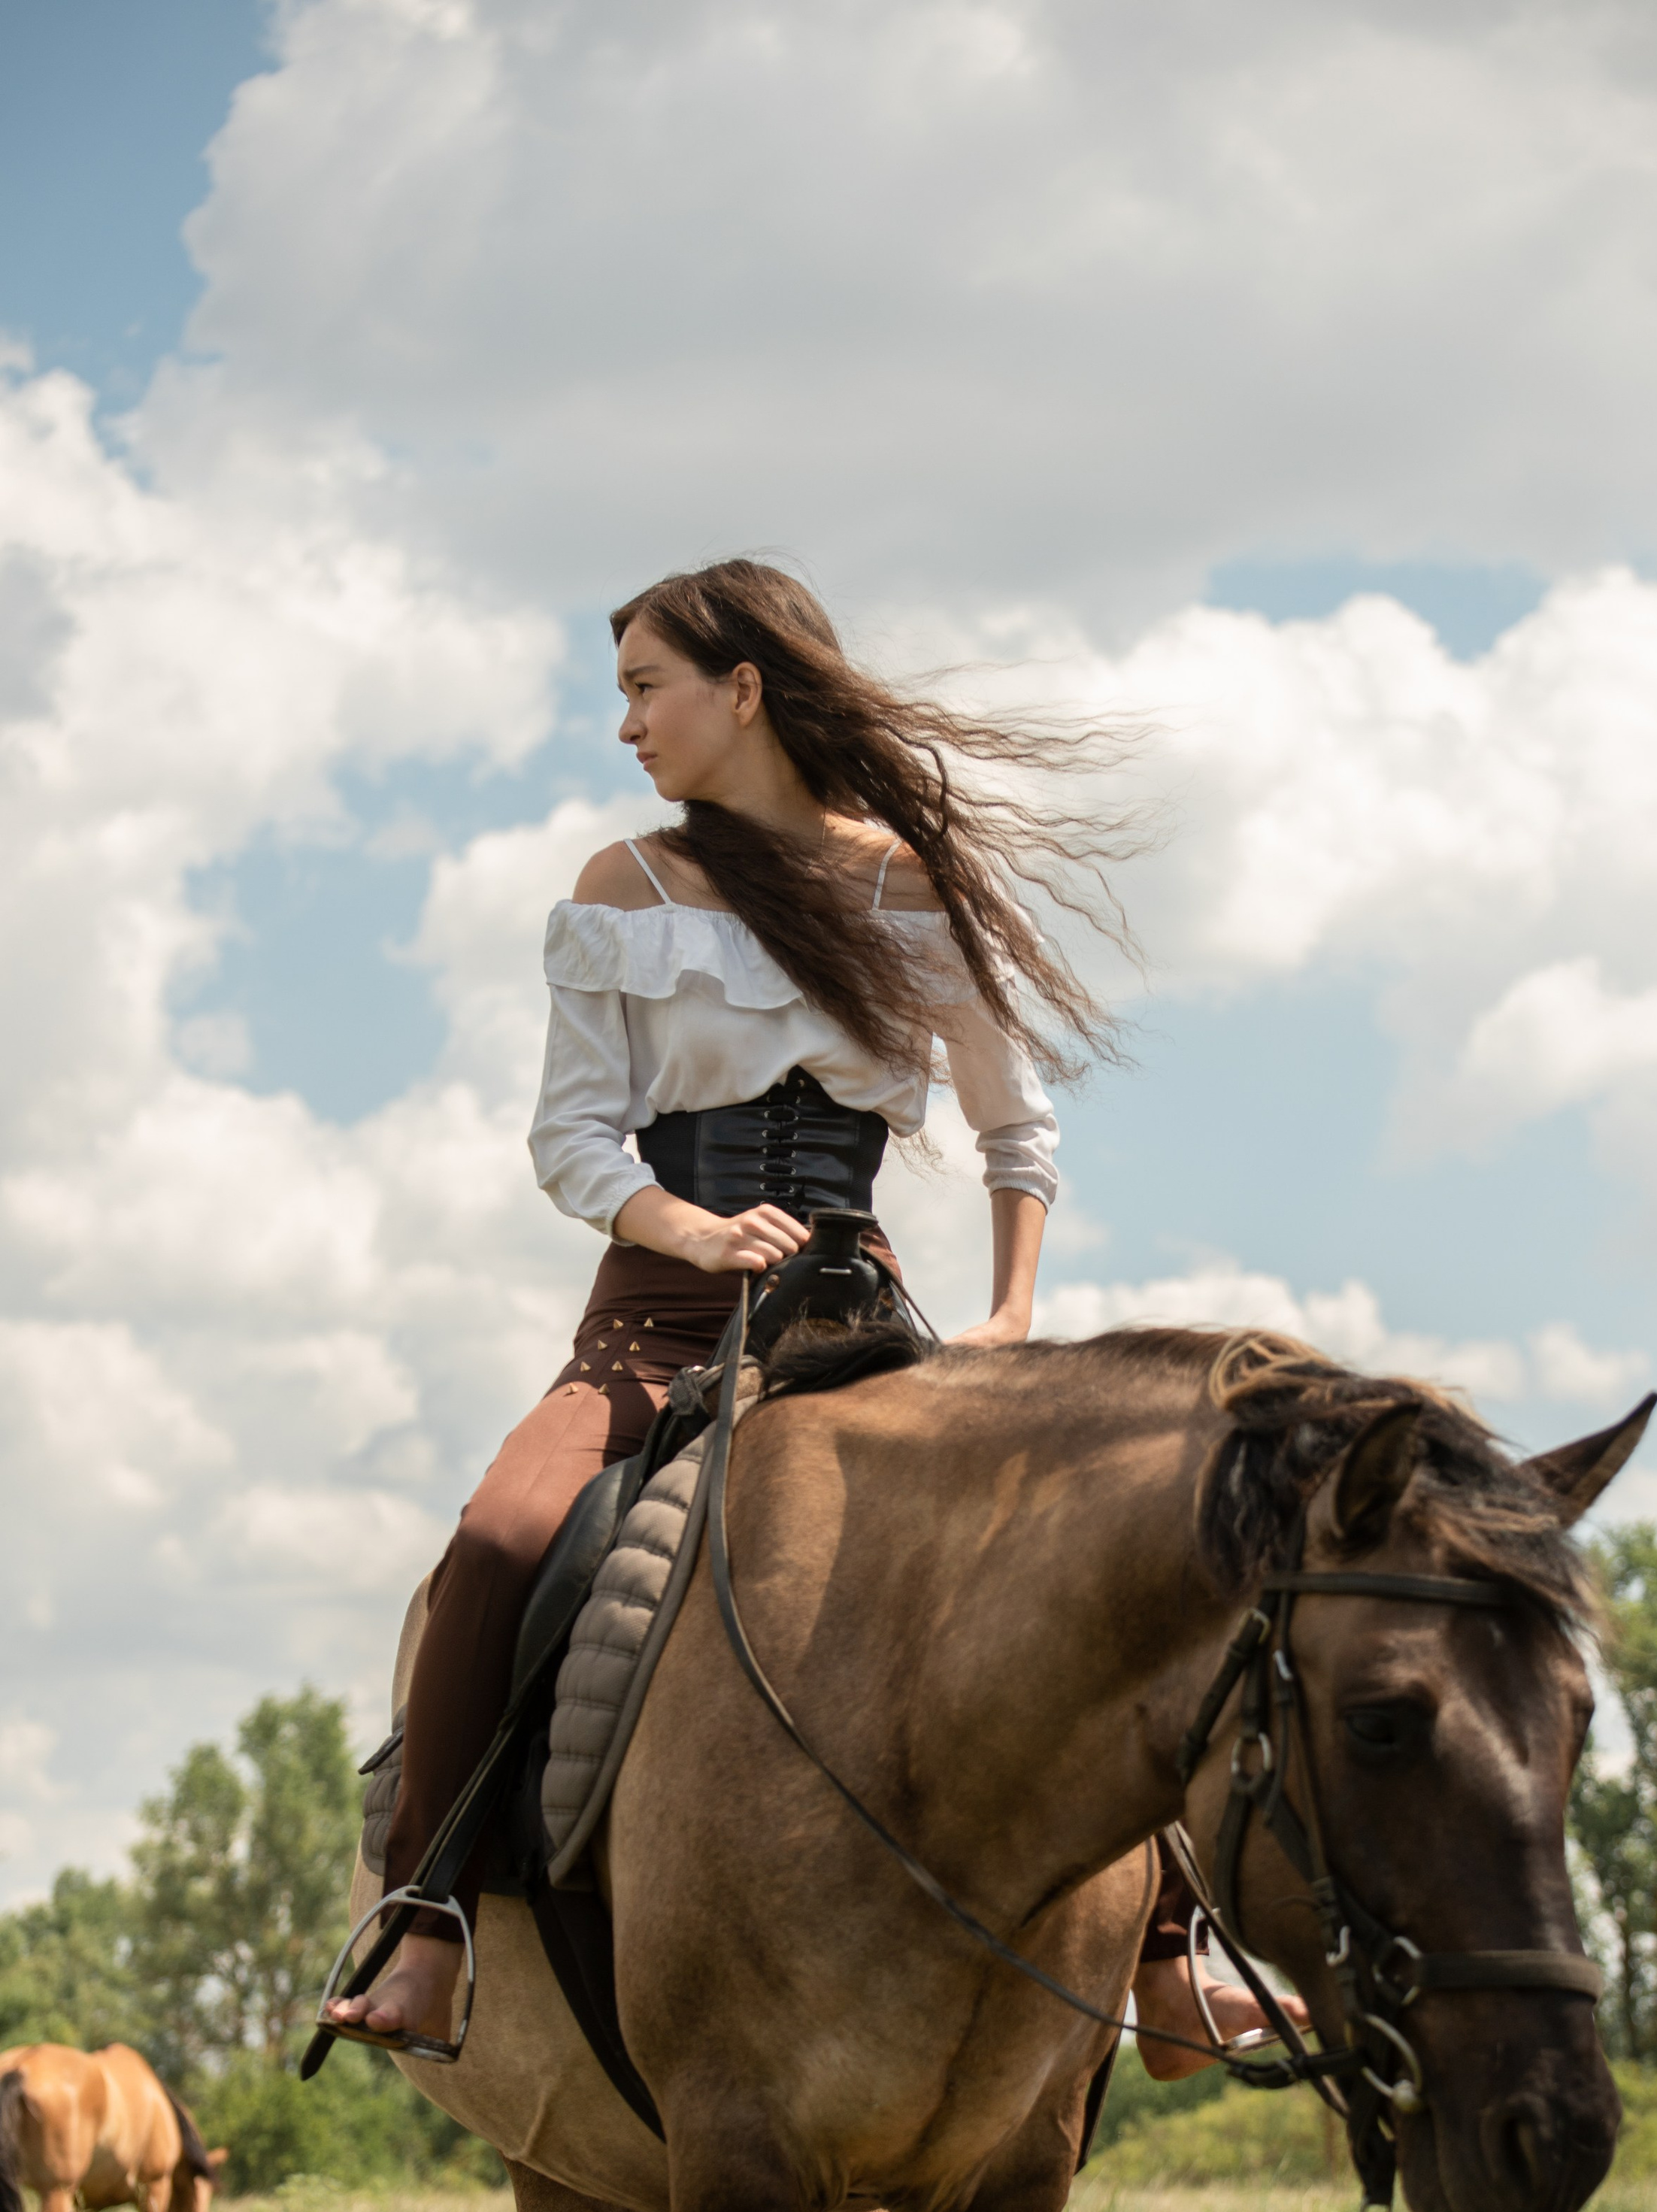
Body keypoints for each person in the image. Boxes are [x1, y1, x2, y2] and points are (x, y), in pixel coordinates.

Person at [327, 559, 1271, 2068]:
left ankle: (1171, 1950)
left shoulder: (909, 885)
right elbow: (569, 1141)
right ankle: (427, 1919)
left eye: (645, 686)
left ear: (743, 688)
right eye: (622, 693)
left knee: (1070, 1558)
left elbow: (1013, 1128)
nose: (626, 724)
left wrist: (1010, 1313)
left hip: (861, 1309)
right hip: (653, 1313)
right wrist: (692, 1227)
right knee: (502, 1538)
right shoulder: (621, 888)